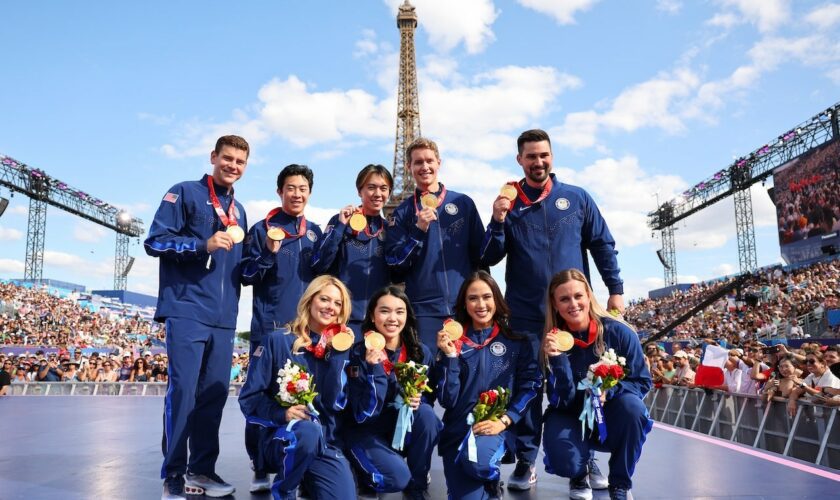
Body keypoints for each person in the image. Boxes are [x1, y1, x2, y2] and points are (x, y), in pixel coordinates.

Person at [480, 129, 624, 489]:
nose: (538, 162)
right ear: (519, 160)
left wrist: (616, 290)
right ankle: (526, 460)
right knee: (527, 386)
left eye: (544, 155)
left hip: (571, 314)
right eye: (531, 156)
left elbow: (603, 244)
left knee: (581, 384)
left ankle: (587, 460)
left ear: (552, 156)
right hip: (526, 312)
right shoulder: (508, 204)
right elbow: (489, 257)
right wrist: (497, 221)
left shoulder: (576, 198)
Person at [145, 134, 250, 500]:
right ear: (213, 157)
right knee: (184, 394)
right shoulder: (184, 192)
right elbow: (155, 241)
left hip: (224, 317)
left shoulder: (241, 212)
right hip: (187, 310)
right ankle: (173, 474)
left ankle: (201, 471)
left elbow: (243, 269)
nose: (232, 166)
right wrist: (200, 245)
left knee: (213, 396)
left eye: (239, 161)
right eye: (227, 158)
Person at [241, 164, 322, 492]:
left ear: (309, 193)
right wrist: (267, 255)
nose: (297, 194)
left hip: (305, 332)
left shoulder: (315, 232)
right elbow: (245, 276)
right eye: (291, 187)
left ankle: (296, 463)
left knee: (303, 398)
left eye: (302, 188)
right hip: (269, 328)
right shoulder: (262, 230)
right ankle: (260, 466)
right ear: (280, 191)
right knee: (263, 399)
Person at [238, 275, 356, 500]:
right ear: (310, 300)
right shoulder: (278, 340)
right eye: (324, 299)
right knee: (307, 431)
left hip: (324, 443)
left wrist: (339, 356)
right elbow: (249, 399)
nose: (330, 307)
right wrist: (281, 414)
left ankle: (308, 481)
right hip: (280, 438)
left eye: (337, 303)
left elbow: (335, 404)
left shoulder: (340, 351)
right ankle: (283, 492)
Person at [541, 269, 651, 500]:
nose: (573, 304)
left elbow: (641, 381)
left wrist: (609, 391)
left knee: (634, 410)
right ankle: (579, 471)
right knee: (565, 461)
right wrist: (558, 360)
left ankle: (620, 483)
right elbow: (562, 400)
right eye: (564, 299)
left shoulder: (619, 332)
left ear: (589, 296)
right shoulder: (552, 341)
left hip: (609, 411)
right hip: (570, 412)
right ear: (555, 303)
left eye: (578, 296)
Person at [435, 271, 541, 500]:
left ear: (497, 300)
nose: (480, 304)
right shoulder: (452, 343)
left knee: (479, 463)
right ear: (464, 303)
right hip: (458, 433)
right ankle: (489, 486)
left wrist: (505, 420)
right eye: (473, 298)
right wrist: (450, 357)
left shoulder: (516, 341)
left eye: (486, 296)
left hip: (497, 429)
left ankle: (490, 476)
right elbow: (447, 399)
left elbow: (531, 386)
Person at [385, 137, 485, 350]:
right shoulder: (402, 212)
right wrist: (418, 231)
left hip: (465, 306)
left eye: (429, 160)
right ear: (409, 167)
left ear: (439, 162)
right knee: (426, 375)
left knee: (467, 375)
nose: (425, 166)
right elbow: (395, 266)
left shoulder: (463, 203)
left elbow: (481, 256)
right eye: (418, 162)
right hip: (424, 310)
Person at [345, 286, 441, 498]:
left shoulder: (419, 351)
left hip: (400, 430)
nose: (392, 318)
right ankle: (363, 473)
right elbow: (360, 415)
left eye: (400, 311)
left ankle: (417, 486)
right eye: (384, 311)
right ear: (372, 315)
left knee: (426, 415)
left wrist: (418, 399)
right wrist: (373, 371)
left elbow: (429, 396)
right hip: (367, 431)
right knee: (396, 478)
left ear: (407, 315)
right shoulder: (358, 354)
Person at [312, 165, 394, 335]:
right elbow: (320, 264)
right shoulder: (340, 221)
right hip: (343, 318)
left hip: (377, 321)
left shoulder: (390, 230)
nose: (377, 193)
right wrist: (341, 227)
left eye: (383, 188)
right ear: (359, 191)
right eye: (371, 187)